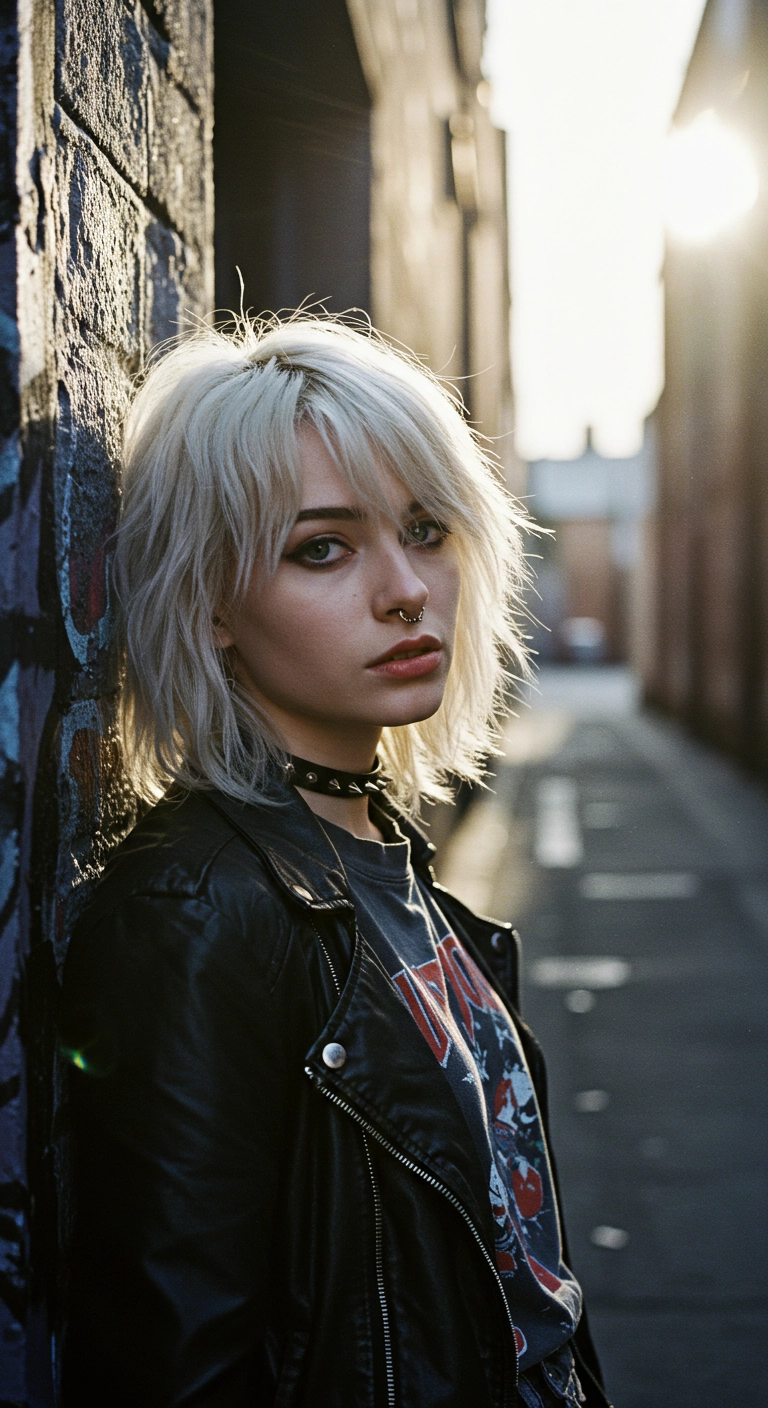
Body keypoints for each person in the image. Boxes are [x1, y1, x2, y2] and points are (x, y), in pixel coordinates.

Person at [60, 317, 611, 1408]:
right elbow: (180, 1372)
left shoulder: (390, 866)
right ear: (212, 603)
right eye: (323, 546)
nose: (407, 588)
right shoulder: (197, 915)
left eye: (425, 527)